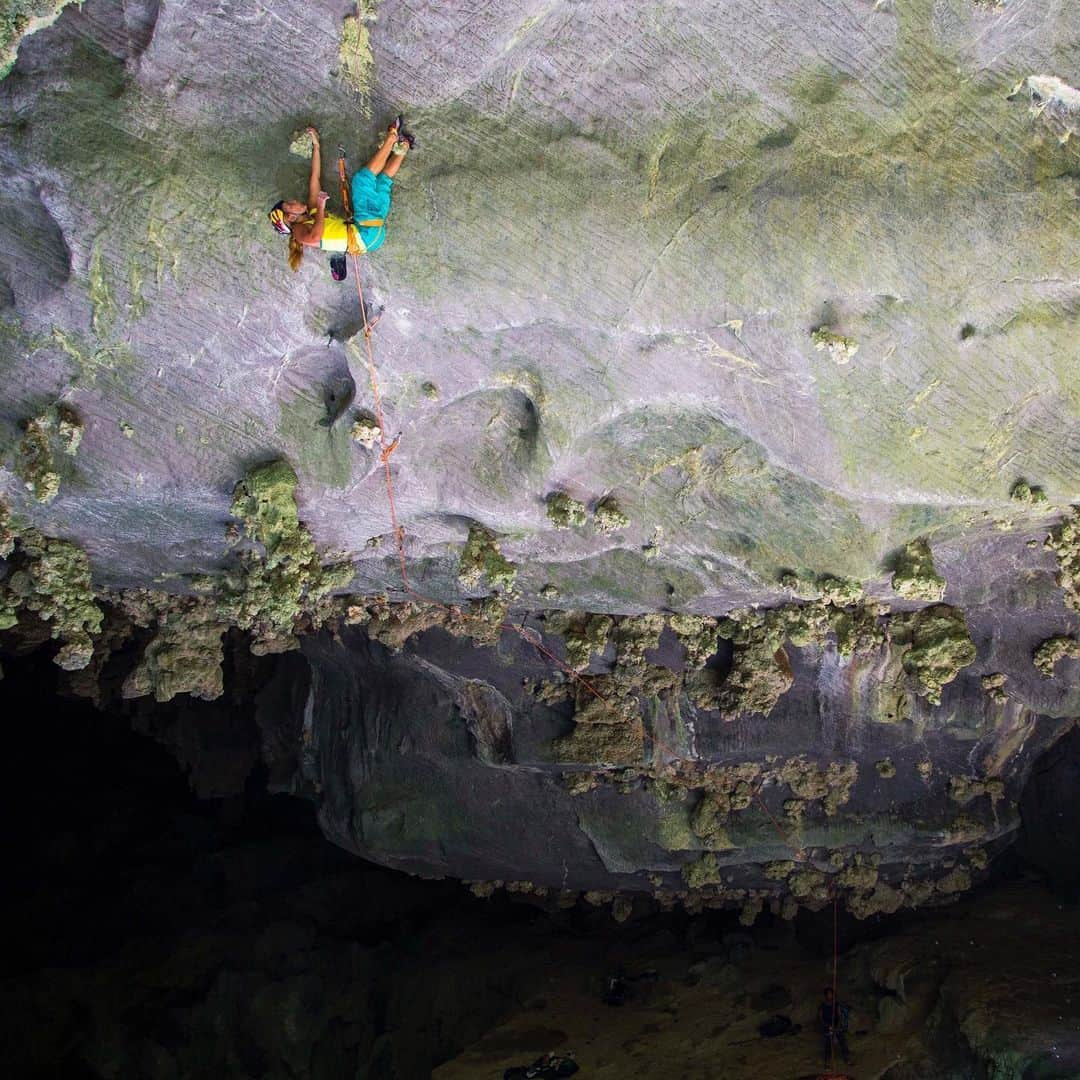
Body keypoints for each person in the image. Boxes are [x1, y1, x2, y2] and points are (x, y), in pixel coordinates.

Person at [268, 118, 414, 271]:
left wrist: (316, 146)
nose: (295, 201)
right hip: (363, 233)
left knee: (382, 182)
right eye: (291, 205)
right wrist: (321, 205)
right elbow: (315, 237)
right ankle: (392, 137)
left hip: (372, 236)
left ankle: (405, 145)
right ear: (291, 217)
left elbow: (315, 177)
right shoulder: (298, 231)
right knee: (362, 180)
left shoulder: (311, 212)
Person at [819, 986, 852, 1067]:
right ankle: (827, 1061)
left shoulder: (836, 1005)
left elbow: (840, 1017)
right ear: (825, 995)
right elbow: (821, 1019)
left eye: (831, 994)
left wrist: (836, 1027)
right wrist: (828, 1027)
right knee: (828, 1042)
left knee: (842, 1040)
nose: (830, 996)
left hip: (836, 1026)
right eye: (828, 994)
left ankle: (847, 1058)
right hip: (827, 1026)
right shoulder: (822, 1006)